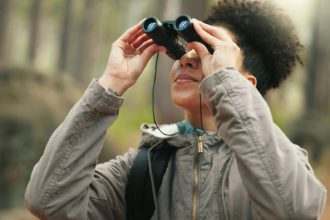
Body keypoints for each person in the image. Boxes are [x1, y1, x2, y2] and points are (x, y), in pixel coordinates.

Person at [25, 1, 326, 219]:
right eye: (184, 52)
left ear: (243, 83)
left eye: (208, 53)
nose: (187, 59)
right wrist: (110, 85)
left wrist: (224, 81)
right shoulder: (141, 168)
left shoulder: (276, 164)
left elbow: (296, 209)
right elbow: (48, 202)